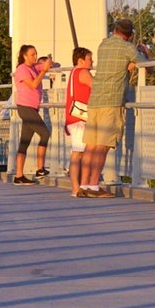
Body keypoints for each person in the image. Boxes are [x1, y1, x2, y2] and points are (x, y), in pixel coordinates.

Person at [76, 16, 145, 196]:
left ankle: (83, 185)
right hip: (112, 102)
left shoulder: (103, 45)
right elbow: (147, 66)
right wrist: (143, 52)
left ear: (115, 30)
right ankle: (93, 186)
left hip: (95, 100)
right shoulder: (127, 47)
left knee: (91, 145)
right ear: (129, 35)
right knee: (102, 147)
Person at [9, 44, 55, 184]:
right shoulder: (22, 69)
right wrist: (44, 71)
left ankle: (19, 176)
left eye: (36, 54)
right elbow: (34, 84)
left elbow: (45, 66)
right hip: (26, 107)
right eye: (32, 55)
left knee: (24, 142)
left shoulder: (33, 67)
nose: (34, 57)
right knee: (45, 133)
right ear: (24, 56)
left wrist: (48, 62)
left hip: (32, 108)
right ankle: (40, 168)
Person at [62, 47, 93, 196]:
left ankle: (78, 186)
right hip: (80, 118)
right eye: (89, 58)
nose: (92, 61)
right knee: (78, 153)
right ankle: (76, 188)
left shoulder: (73, 73)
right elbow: (97, 87)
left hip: (73, 116)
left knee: (78, 152)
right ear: (81, 60)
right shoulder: (83, 72)